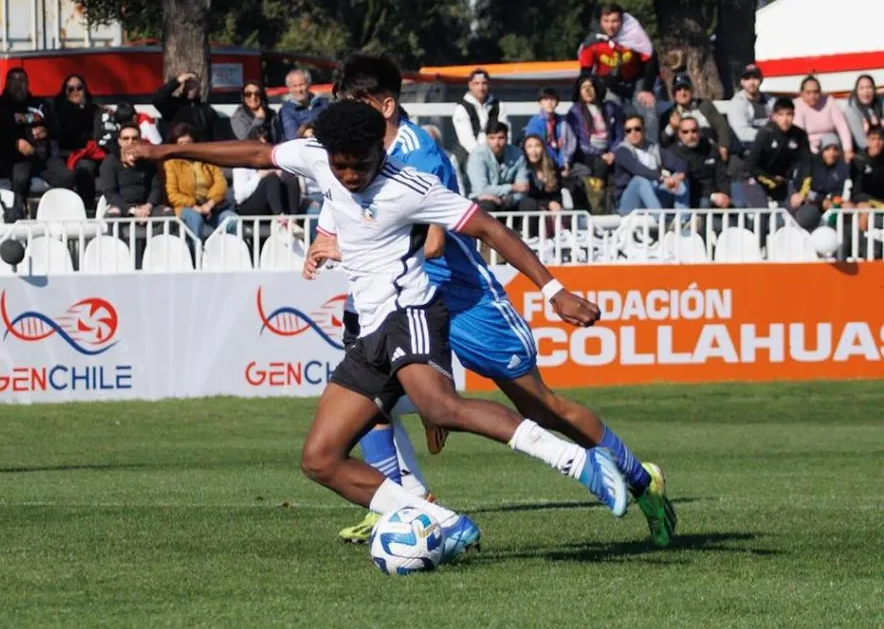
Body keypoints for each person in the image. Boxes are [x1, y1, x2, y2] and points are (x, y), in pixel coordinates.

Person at [127, 100, 668, 564]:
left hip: (412, 312)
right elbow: (255, 154)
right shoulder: (318, 157)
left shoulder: (410, 186)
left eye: (359, 164)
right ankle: (440, 521)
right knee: (320, 459)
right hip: (369, 332)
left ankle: (581, 463)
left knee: (442, 409)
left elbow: (488, 227)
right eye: (340, 166)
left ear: (379, 152)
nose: (349, 175)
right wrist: (167, 151)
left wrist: (554, 291)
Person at [304, 54, 674, 548]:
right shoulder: (353, 157)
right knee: (369, 405)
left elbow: (435, 244)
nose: (345, 119)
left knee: (542, 407)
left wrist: (553, 290)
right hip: (399, 301)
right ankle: (404, 507)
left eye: (354, 104)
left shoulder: (418, 154)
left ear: (385, 106)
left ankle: (641, 480)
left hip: (461, 297)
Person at [0, 68, 74, 215]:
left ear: (28, 83)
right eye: (14, 80)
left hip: (42, 156)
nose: (18, 85)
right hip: (17, 157)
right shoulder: (1, 106)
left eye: (22, 80)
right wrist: (16, 142)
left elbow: (57, 127)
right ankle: (17, 216)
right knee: (20, 179)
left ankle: (55, 214)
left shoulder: (41, 104)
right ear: (7, 84)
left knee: (67, 177)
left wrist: (46, 131)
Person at [578, 3, 659, 141]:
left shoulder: (633, 34)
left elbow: (650, 59)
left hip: (636, 81)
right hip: (609, 85)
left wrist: (647, 89)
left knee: (649, 112)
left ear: (622, 21)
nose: (610, 26)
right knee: (611, 114)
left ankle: (652, 150)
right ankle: (618, 149)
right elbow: (585, 72)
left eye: (615, 21)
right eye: (606, 21)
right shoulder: (593, 42)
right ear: (600, 21)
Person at [162, 122, 234, 240]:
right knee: (195, 218)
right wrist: (194, 206)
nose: (185, 147)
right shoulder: (171, 164)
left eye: (188, 143)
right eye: (181, 143)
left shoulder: (207, 159)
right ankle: (196, 251)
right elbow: (172, 195)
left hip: (210, 208)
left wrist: (209, 204)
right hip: (185, 208)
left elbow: (221, 183)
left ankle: (223, 249)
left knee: (232, 220)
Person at [565, 75, 622, 214]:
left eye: (590, 86)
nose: (587, 90)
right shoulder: (575, 111)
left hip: (609, 151)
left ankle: (618, 208)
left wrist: (613, 152)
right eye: (583, 87)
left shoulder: (610, 108)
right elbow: (579, 141)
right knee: (600, 165)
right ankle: (597, 208)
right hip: (586, 154)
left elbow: (619, 134)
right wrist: (601, 154)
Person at [740, 97, 810, 208]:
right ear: (774, 116)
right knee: (762, 211)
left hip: (781, 180)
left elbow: (807, 165)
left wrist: (802, 193)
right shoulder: (765, 134)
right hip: (756, 178)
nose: (785, 119)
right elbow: (751, 166)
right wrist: (771, 180)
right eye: (781, 115)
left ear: (794, 115)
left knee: (798, 206)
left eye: (789, 114)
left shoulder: (799, 135)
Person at [613, 114, 689, 214]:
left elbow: (678, 163)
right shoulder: (622, 151)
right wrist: (663, 178)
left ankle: (683, 219)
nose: (633, 133)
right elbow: (638, 169)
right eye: (628, 130)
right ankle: (661, 219)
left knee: (681, 179)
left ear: (644, 130)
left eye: (637, 129)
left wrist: (680, 175)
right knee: (640, 180)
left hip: (653, 197)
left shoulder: (653, 148)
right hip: (627, 203)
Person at [51, 73, 105, 211]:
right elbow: (62, 134)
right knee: (83, 168)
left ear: (84, 90)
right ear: (65, 92)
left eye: (79, 88)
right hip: (67, 155)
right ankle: (82, 210)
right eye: (70, 89)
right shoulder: (58, 111)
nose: (75, 92)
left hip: (91, 153)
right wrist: (77, 111)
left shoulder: (95, 110)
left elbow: (97, 135)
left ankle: (95, 209)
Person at [100, 123, 170, 219]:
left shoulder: (148, 160)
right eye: (126, 138)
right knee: (113, 214)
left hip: (147, 208)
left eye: (134, 138)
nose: (130, 142)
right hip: (121, 208)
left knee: (167, 213)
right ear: (119, 141)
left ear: (140, 140)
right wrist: (132, 210)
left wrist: (148, 206)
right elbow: (110, 192)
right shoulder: (110, 161)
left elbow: (156, 188)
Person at [231, 122, 302, 217]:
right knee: (271, 178)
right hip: (249, 206)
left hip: (270, 204)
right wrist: (259, 176)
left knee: (290, 179)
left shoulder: (273, 160)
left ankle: (294, 218)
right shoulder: (242, 164)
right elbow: (239, 197)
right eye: (259, 144)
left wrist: (282, 175)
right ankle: (280, 218)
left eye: (266, 144)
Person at [659, 75, 731, 158]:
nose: (683, 93)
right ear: (674, 94)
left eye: (686, 89)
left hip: (710, 150)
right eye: (678, 90)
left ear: (692, 91)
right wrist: (671, 127)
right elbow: (662, 142)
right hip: (686, 156)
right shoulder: (668, 114)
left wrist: (723, 146)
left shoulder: (705, 105)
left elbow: (721, 126)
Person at [789, 133, 849, 232]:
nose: (832, 153)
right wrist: (820, 201)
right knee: (801, 204)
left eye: (835, 149)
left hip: (826, 204)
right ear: (822, 150)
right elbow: (801, 187)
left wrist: (832, 201)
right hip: (805, 201)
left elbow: (838, 192)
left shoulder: (841, 168)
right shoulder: (810, 163)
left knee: (847, 208)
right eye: (827, 149)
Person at [466, 120, 529, 211]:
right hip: (483, 199)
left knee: (529, 204)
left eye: (501, 138)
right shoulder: (477, 155)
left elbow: (523, 187)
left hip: (510, 199)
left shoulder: (517, 154)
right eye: (492, 138)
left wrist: (509, 199)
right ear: (486, 138)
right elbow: (481, 190)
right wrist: (512, 187)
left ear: (507, 138)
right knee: (488, 206)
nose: (496, 143)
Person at [670, 118, 732, 209]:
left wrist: (725, 195)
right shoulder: (673, 153)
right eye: (685, 132)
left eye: (694, 131)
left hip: (716, 195)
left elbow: (721, 175)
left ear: (699, 131)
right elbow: (686, 183)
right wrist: (712, 196)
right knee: (704, 203)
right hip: (692, 197)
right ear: (679, 133)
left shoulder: (710, 148)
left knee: (739, 204)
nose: (690, 135)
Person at [452, 68, 508, 161]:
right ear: (470, 85)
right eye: (476, 83)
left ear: (489, 84)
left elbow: (506, 132)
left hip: (495, 155)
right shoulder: (461, 108)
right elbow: (466, 139)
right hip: (467, 157)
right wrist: (482, 158)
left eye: (484, 83)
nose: (481, 88)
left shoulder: (499, 106)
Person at [792, 74, 853, 160]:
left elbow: (842, 126)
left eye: (816, 92)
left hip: (831, 147)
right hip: (808, 149)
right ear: (801, 93)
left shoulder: (829, 101)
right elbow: (799, 134)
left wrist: (847, 150)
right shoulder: (796, 105)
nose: (812, 96)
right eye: (808, 92)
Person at [521, 87, 576, 179]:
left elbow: (571, 142)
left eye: (553, 99)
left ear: (557, 103)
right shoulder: (535, 123)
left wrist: (565, 161)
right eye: (546, 100)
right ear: (540, 103)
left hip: (562, 159)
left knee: (583, 171)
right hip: (544, 160)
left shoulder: (562, 122)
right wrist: (559, 163)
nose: (549, 103)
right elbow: (539, 146)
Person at [154, 71, 221, 141]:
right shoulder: (172, 105)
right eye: (187, 83)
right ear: (181, 87)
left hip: (200, 147)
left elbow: (216, 135)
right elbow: (158, 99)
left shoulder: (207, 110)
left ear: (199, 87)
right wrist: (178, 81)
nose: (190, 86)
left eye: (193, 83)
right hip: (179, 145)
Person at [727, 64, 772, 155]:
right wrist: (769, 135)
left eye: (755, 78)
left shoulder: (770, 100)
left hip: (768, 145)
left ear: (761, 80)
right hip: (745, 149)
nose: (751, 82)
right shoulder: (737, 103)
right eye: (747, 78)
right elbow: (743, 133)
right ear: (742, 82)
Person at [278, 69, 328, 141]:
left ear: (309, 84)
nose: (299, 90)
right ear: (289, 88)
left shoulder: (323, 103)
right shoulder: (286, 110)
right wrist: (304, 133)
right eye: (295, 86)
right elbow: (291, 136)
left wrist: (313, 131)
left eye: (302, 85)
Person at [520, 135, 564, 214]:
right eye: (529, 146)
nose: (534, 151)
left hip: (551, 211)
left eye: (537, 146)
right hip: (530, 211)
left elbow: (557, 194)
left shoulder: (552, 166)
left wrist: (555, 204)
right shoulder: (521, 170)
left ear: (543, 149)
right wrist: (547, 204)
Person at [841, 74, 884, 152]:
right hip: (864, 150)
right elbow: (861, 142)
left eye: (869, 87)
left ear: (874, 89)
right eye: (862, 88)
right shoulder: (851, 110)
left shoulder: (881, 102)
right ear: (856, 91)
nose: (866, 91)